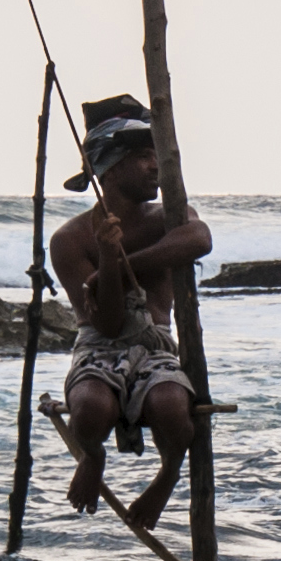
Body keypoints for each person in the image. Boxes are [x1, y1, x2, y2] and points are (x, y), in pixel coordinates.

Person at [51, 94, 214, 522]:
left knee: (171, 408)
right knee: (90, 409)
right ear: (110, 166)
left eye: (156, 155)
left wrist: (124, 268)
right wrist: (106, 259)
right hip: (99, 346)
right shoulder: (71, 240)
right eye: (143, 156)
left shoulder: (168, 218)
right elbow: (106, 322)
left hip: (156, 346)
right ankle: (92, 457)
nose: (155, 166)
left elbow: (199, 240)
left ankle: (167, 475)